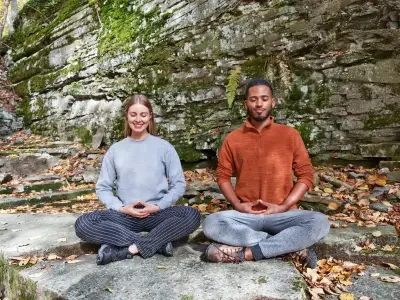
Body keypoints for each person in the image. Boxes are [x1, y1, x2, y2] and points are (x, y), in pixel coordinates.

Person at [202, 79, 330, 268]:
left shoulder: (290, 135)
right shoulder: (233, 139)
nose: (259, 104)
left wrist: (283, 206)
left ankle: (247, 253)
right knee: (211, 223)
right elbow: (223, 176)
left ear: (273, 102)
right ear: (246, 104)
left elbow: (306, 175)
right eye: (253, 99)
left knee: (320, 222)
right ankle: (287, 246)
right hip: (246, 216)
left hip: (282, 214)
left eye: (264, 98)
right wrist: (238, 205)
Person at [75, 94, 201, 265]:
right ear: (127, 116)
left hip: (158, 214)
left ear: (150, 116)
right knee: (84, 223)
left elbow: (178, 184)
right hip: (125, 216)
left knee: (191, 215)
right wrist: (122, 208)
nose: (138, 119)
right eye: (133, 114)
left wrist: (158, 206)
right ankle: (158, 243)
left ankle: (128, 249)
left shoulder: (164, 148)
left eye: (143, 114)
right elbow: (103, 188)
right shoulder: (115, 150)